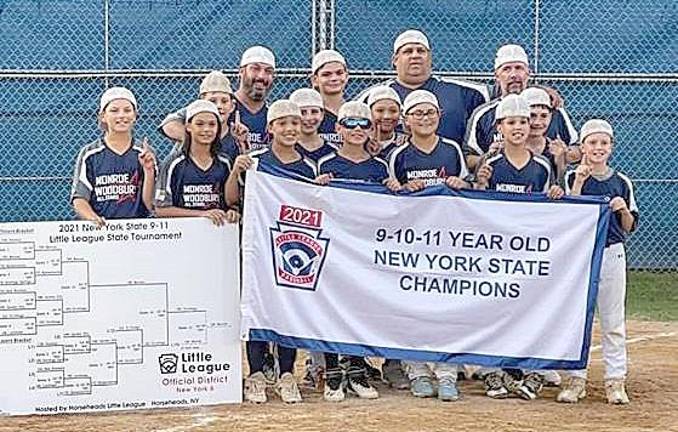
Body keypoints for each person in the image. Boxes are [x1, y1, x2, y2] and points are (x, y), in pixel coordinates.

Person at [226, 100, 330, 404]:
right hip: (259, 248)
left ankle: (287, 374)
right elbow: (232, 198)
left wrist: (320, 189)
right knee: (258, 307)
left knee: (288, 308)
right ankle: (256, 374)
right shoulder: (255, 160)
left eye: (294, 123)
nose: (289, 129)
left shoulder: (309, 166)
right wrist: (235, 171)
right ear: (270, 128)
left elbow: (315, 208)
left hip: (293, 249)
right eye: (282, 123)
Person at [474, 94, 564, 401]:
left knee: (524, 306)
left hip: (524, 247)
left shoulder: (540, 165)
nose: (519, 127)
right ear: (500, 126)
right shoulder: (492, 165)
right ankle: (490, 370)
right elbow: (478, 206)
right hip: (495, 247)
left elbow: (547, 207)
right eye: (511, 122)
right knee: (491, 307)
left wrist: (554, 192)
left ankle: (525, 366)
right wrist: (480, 184)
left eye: (523, 122)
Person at [316, 101, 400, 402]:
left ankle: (355, 368)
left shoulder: (379, 167)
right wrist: (316, 188)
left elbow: (391, 212)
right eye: (349, 124)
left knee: (358, 309)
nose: (356, 130)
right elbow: (312, 203)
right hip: (334, 249)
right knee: (327, 307)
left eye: (363, 124)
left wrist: (394, 189)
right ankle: (331, 371)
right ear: (338, 128)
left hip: (365, 251)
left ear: (371, 129)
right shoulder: (325, 164)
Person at [558, 119, 638, 405]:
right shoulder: (571, 177)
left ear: (611, 147)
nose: (598, 148)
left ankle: (615, 381)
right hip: (580, 254)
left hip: (611, 252)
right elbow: (567, 213)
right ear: (582, 147)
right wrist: (579, 180)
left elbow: (629, 226)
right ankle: (575, 379)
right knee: (578, 318)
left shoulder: (621, 181)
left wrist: (622, 209)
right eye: (592, 142)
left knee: (612, 319)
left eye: (604, 143)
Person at [357, 29, 489, 145]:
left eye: (421, 51)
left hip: (450, 167)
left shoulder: (464, 92)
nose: (415, 55)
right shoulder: (372, 96)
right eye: (408, 51)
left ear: (430, 58)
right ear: (395, 59)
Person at [464, 44, 579, 170]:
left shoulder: (552, 107)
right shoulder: (484, 114)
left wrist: (564, 154)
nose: (514, 74)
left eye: (519, 68)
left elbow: (579, 149)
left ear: (528, 73)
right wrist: (489, 157)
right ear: (497, 76)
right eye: (507, 69)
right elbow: (467, 159)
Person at [71, 87, 156, 226]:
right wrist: (92, 218)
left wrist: (149, 171)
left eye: (127, 110)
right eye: (114, 110)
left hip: (138, 232)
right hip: (102, 230)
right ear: (103, 116)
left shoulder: (144, 153)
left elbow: (151, 204)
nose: (121, 115)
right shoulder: (90, 154)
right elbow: (79, 198)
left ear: (135, 115)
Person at [155, 100, 239, 225]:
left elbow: (231, 203)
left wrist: (232, 211)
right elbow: (161, 210)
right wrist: (202, 215)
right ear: (188, 127)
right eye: (199, 124)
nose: (206, 129)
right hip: (182, 234)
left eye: (212, 124)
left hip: (217, 233)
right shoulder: (174, 163)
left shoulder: (225, 162)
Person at [389, 90, 469, 193]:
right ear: (406, 120)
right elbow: (391, 194)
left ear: (439, 115)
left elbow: (468, 185)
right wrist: (406, 188)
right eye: (418, 113)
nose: (426, 118)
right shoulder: (398, 155)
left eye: (431, 112)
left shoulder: (452, 148)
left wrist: (461, 184)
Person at [158, 71, 248, 161]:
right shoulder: (193, 112)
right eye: (212, 101)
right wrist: (194, 138)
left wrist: (242, 143)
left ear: (232, 106)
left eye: (224, 101)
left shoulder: (234, 134)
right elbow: (168, 125)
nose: (219, 106)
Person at [522, 86, 568, 184]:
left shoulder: (555, 150)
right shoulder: (510, 148)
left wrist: (560, 162)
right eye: (532, 116)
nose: (538, 122)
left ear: (550, 117)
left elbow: (562, 187)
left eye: (544, 116)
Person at [289, 88, 338, 163]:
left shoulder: (334, 150)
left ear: (322, 115)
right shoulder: (286, 148)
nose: (309, 118)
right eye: (302, 112)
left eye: (314, 112)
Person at [311, 49, 349, 145]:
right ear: (315, 80)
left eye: (339, 73)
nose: (334, 78)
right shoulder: (310, 112)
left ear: (347, 76)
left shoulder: (354, 111)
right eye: (326, 74)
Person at [367, 85, 407, 161]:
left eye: (393, 111)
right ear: (369, 112)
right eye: (380, 110)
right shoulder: (359, 142)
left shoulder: (405, 143)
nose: (387, 116)